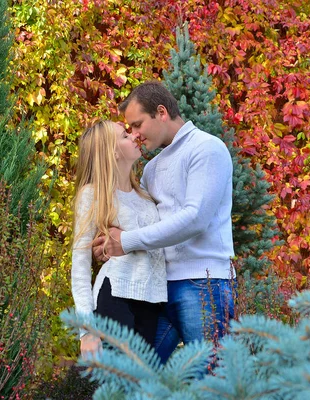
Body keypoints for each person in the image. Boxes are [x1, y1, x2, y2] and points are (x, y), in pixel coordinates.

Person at [92, 81, 235, 363]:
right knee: (136, 375)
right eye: (129, 129)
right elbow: (144, 223)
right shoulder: (152, 168)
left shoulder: (207, 149)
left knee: (212, 378)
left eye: (137, 124)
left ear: (161, 112)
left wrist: (127, 241)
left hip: (203, 284)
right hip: (157, 289)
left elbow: (195, 218)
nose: (134, 135)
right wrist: (108, 243)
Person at [70, 120, 166, 359]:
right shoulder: (93, 194)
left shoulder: (145, 195)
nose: (134, 136)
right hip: (116, 296)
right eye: (125, 135)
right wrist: (87, 331)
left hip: (152, 301)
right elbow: (79, 265)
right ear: (112, 152)